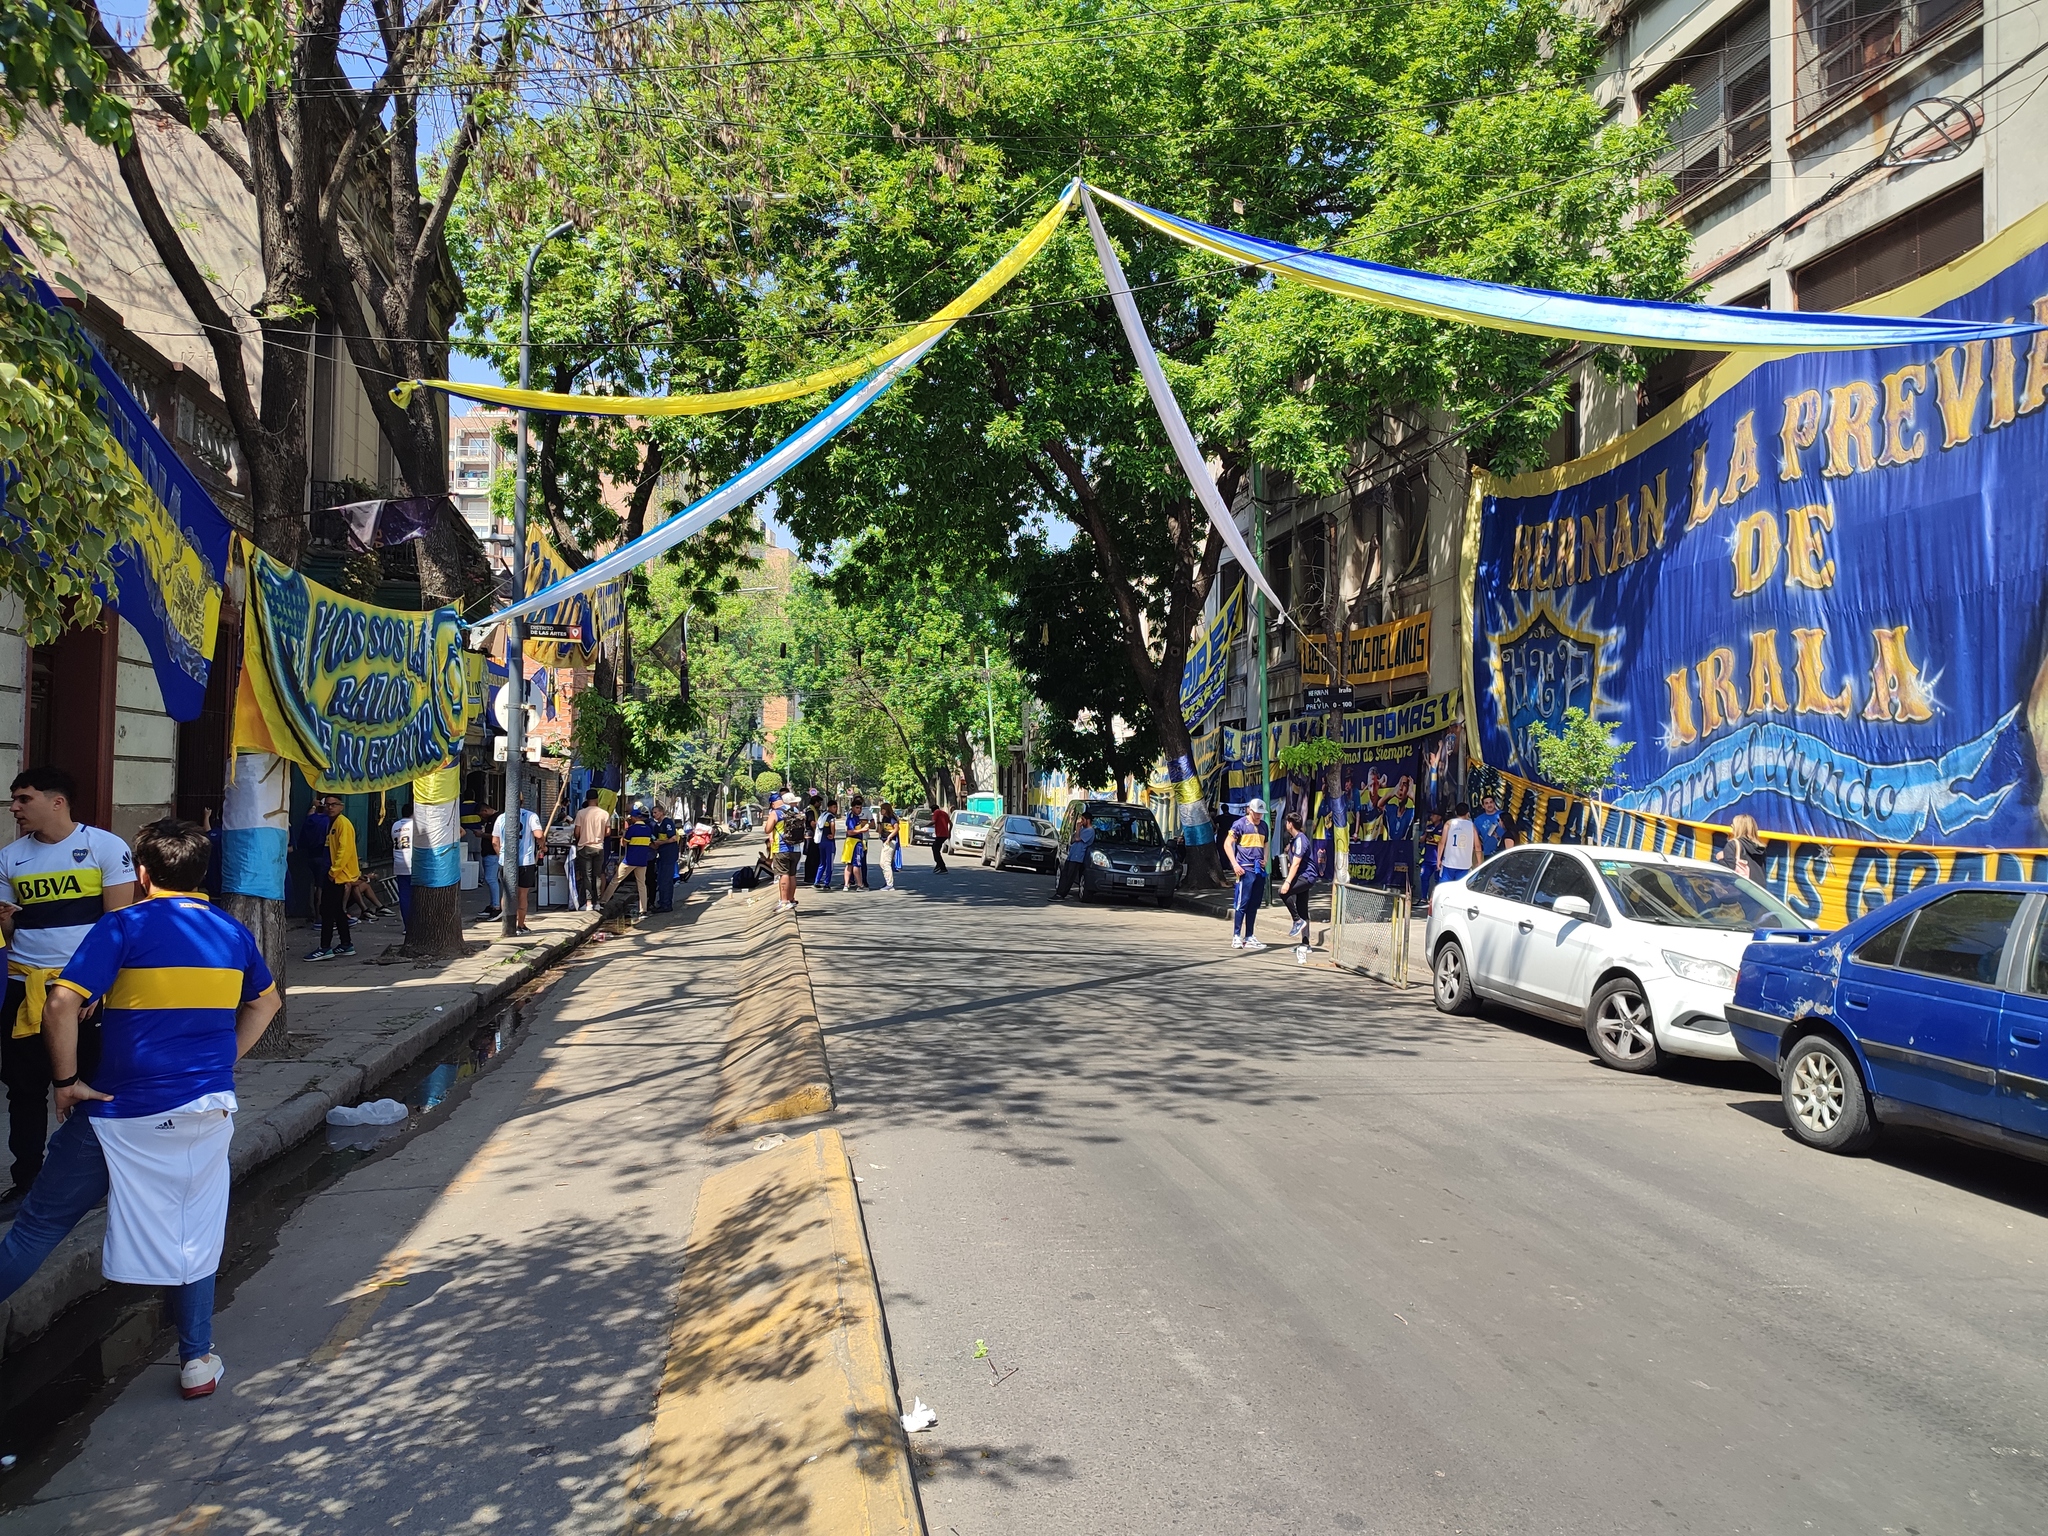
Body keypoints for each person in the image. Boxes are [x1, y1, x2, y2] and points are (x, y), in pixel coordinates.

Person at [0, 818, 280, 1400]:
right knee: (194, 1231)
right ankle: (197, 1361)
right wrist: (221, 1058)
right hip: (204, 1110)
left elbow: (59, 1004)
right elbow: (266, 1002)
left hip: (117, 1114)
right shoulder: (231, 932)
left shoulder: (121, 926)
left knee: (39, 1228)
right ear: (204, 874)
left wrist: (67, 1082)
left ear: (144, 875)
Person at [0, 767, 136, 1215]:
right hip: (26, 989)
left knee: (94, 1084)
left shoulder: (104, 847)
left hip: (83, 990)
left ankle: (98, 1178)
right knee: (23, 1088)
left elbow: (118, 923)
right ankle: (28, 1181)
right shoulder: (9, 858)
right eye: (14, 800)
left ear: (57, 802)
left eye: (24, 799)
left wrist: (98, 985)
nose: (15, 808)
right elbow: (12, 927)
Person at [309, 794, 358, 960]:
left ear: (341, 806)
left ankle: (325, 947)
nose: (330, 807)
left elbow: (344, 850)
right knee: (337, 911)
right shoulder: (332, 823)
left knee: (327, 911)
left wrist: (333, 871)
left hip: (337, 875)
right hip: (333, 873)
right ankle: (346, 943)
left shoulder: (342, 824)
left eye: (334, 804)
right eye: (327, 804)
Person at [1222, 798, 1271, 951]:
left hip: (1258, 869)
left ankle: (1249, 935)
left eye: (1260, 814)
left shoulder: (1264, 826)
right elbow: (1227, 843)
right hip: (1244, 868)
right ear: (1250, 810)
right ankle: (1236, 935)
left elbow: (1266, 843)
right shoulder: (1240, 824)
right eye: (1256, 813)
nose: (1258, 816)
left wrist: (1265, 859)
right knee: (1242, 902)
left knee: (1254, 904)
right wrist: (1235, 864)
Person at [493, 800, 542, 934]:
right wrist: (543, 845)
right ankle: (520, 925)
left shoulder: (501, 817)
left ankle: (508, 924)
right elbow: (539, 835)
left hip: (506, 861)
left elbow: (495, 841)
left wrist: (501, 856)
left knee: (507, 893)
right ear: (522, 802)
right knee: (522, 894)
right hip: (526, 861)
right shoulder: (531, 816)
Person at [602, 802, 653, 914]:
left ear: (634, 818)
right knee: (641, 885)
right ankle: (643, 909)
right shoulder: (648, 829)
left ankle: (603, 901)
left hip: (629, 860)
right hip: (642, 861)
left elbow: (623, 844)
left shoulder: (632, 829)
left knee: (616, 880)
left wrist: (623, 835)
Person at [1277, 808, 1315, 949]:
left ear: (1290, 824)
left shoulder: (1300, 840)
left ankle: (1296, 920)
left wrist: (1287, 882)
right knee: (1302, 907)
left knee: (1283, 892)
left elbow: (1297, 864)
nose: (1286, 824)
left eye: (1287, 822)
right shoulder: (1295, 840)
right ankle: (1305, 943)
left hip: (1306, 876)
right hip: (1301, 875)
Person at [765, 794, 803, 912]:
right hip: (796, 848)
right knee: (792, 875)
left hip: (781, 848)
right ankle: (791, 899)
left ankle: (784, 901)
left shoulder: (776, 813)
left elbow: (767, 829)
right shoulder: (796, 811)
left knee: (783, 874)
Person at [572, 791, 609, 911]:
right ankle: (597, 902)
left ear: (586, 799)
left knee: (587, 876)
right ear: (597, 799)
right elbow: (608, 832)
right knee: (597, 875)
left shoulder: (581, 813)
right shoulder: (604, 814)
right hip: (599, 847)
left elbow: (577, 832)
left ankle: (588, 903)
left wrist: (580, 838)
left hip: (584, 847)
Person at [1716, 812, 1768, 882]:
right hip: (1758, 889)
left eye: (1733, 825)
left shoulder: (1733, 844)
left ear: (1738, 828)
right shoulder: (1761, 848)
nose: (1731, 826)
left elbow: (1728, 870)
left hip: (1742, 888)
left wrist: (1720, 859)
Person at [1439, 801, 1480, 886]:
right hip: (1465, 864)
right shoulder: (1471, 826)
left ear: (1455, 812)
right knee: (1461, 889)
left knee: (1444, 887)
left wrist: (1438, 859)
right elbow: (1477, 846)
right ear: (1467, 813)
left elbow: (1442, 843)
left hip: (1449, 863)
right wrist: (1479, 861)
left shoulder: (1449, 823)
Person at [1055, 811, 1093, 900]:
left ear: (1088, 820)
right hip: (1072, 855)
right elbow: (1072, 840)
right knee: (1064, 874)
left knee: (1069, 876)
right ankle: (1059, 892)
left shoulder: (1090, 831)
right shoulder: (1082, 829)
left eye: (1083, 820)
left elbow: (1077, 838)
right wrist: (1078, 831)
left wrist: (1078, 829)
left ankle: (1062, 894)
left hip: (1078, 857)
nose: (1081, 822)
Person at [389, 801, 414, 931]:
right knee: (417, 896)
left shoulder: (395, 825)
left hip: (399, 863)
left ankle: (407, 926)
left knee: (404, 896)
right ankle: (416, 925)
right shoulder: (416, 825)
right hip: (413, 863)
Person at [476, 803, 502, 921]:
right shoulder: (493, 819)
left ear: (485, 810)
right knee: (490, 879)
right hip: (488, 852)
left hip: (492, 853)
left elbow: (495, 837)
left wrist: (482, 835)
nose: (481, 818)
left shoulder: (496, 819)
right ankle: (493, 904)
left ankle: (496, 907)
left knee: (491, 879)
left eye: (481, 815)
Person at [651, 806, 679, 913]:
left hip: (669, 855)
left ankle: (666, 904)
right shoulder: (657, 826)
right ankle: (663, 901)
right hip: (662, 855)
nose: (654, 815)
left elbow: (673, 838)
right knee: (662, 879)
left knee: (666, 880)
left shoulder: (667, 823)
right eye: (653, 813)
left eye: (656, 812)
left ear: (662, 812)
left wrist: (660, 843)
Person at [842, 796, 868, 892]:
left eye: (860, 808)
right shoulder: (852, 818)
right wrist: (862, 830)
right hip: (854, 843)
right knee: (856, 864)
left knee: (850, 864)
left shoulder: (856, 817)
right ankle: (860, 885)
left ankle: (846, 885)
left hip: (853, 842)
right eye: (857, 807)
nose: (859, 809)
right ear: (852, 808)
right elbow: (850, 831)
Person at [814, 798, 839, 892]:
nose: (835, 809)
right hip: (829, 843)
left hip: (821, 841)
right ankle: (826, 883)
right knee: (829, 863)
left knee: (822, 862)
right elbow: (832, 825)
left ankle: (817, 880)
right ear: (829, 807)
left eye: (836, 807)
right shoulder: (831, 816)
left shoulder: (822, 815)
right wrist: (833, 835)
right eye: (834, 807)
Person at [877, 802, 903, 890]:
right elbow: (879, 831)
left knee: (886, 863)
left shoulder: (891, 818)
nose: (881, 811)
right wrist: (879, 822)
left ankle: (890, 884)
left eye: (882, 809)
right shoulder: (884, 819)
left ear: (886, 809)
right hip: (885, 842)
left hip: (890, 842)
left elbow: (897, 828)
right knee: (882, 863)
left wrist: (889, 837)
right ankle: (887, 881)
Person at [930, 804, 950, 874]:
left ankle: (942, 867)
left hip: (940, 834)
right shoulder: (944, 813)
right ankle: (938, 864)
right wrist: (949, 832)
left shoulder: (936, 812)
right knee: (935, 848)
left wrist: (925, 825)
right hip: (945, 834)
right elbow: (951, 823)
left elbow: (933, 821)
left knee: (935, 849)